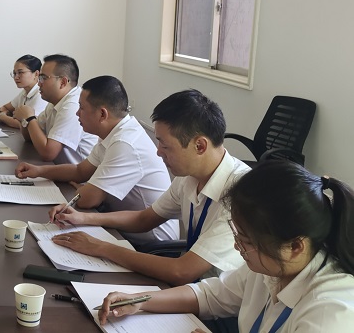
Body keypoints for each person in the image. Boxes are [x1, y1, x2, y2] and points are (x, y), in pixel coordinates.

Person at [95, 161, 354, 333]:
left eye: (246, 241)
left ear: (295, 247)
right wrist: (141, 301)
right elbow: (212, 294)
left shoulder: (330, 314)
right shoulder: (273, 266)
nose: (237, 246)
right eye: (237, 233)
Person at [50, 90, 248, 284]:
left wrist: (101, 247)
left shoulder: (240, 196)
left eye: (165, 145)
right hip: (194, 289)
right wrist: (82, 218)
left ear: (200, 146)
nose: (158, 152)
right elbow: (144, 219)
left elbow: (182, 271)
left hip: (218, 298)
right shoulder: (189, 177)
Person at [16, 75, 176, 244]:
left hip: (148, 240)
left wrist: (87, 190)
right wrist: (39, 171)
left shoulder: (125, 143)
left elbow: (87, 200)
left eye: (82, 108)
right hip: (119, 226)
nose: (77, 113)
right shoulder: (114, 133)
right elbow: (80, 171)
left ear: (102, 114)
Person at [10, 54, 96, 163]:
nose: (39, 83)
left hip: (77, 172)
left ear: (63, 82)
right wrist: (24, 119)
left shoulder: (73, 106)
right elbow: (29, 137)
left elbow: (48, 154)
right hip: (59, 167)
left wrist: (30, 118)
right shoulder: (54, 102)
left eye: (43, 78)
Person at [0, 54, 50, 129]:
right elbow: (5, 108)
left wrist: (2, 117)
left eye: (20, 72)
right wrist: (7, 114)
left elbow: (27, 125)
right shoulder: (25, 92)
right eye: (14, 73)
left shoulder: (41, 95)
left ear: (36, 74)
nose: (16, 77)